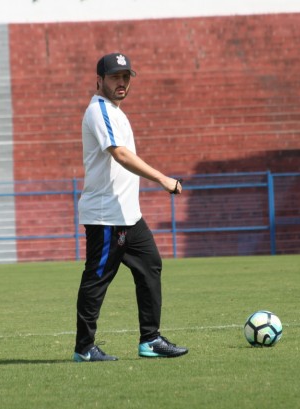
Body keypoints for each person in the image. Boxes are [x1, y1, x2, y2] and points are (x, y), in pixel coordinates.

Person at [73, 52, 188, 362]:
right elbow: (120, 155)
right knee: (97, 279)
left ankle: (150, 340)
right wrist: (162, 178)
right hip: (106, 216)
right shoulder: (99, 111)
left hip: (128, 216)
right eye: (114, 77)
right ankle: (84, 348)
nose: (121, 82)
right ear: (99, 80)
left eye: (125, 77)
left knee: (150, 265)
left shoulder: (116, 111)